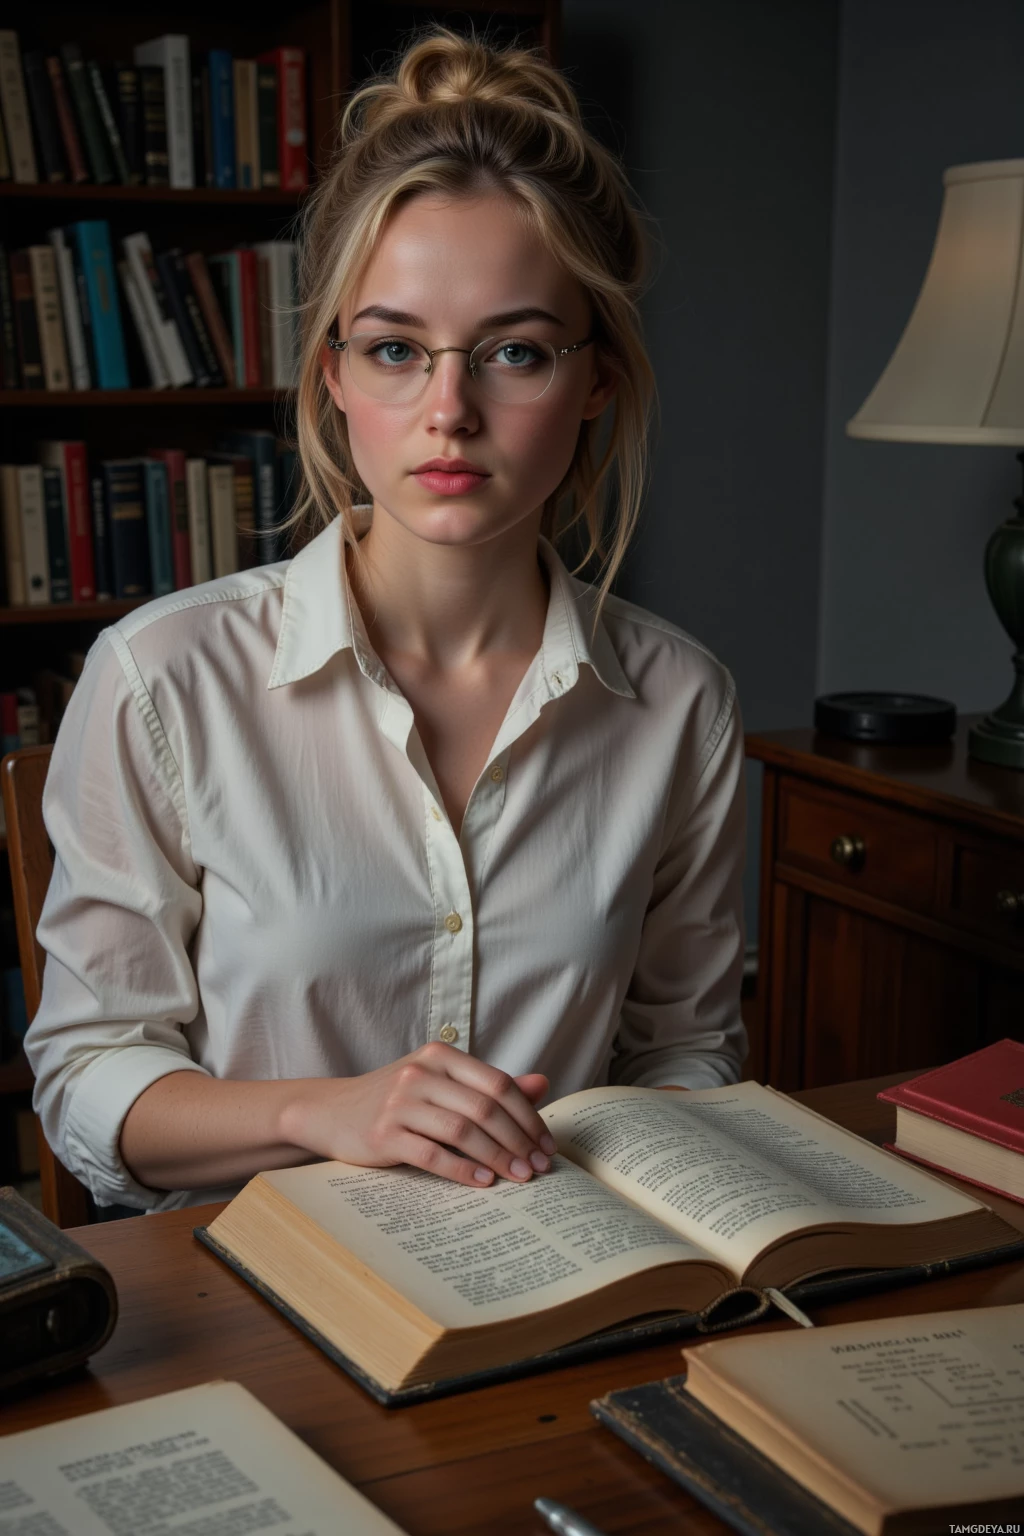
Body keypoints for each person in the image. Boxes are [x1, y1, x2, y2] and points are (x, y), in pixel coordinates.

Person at [24, 26, 747, 1214]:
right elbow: (90, 1076)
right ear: (334, 375)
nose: (448, 411)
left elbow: (686, 1047)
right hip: (258, 1293)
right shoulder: (164, 677)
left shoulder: (680, 702)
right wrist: (326, 1110)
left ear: (595, 380)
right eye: (398, 350)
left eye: (514, 351)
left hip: (561, 1276)